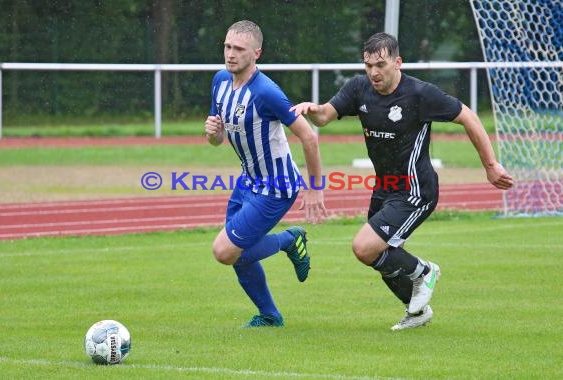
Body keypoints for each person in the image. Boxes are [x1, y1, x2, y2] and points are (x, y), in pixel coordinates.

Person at [290, 32, 513, 330]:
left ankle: (425, 271)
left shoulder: (420, 94)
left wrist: (490, 164)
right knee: (380, 255)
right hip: (385, 188)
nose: (373, 72)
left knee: (364, 247)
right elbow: (324, 117)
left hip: (416, 190)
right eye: (368, 65)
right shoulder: (359, 88)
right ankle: (417, 312)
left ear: (398, 62)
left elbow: (468, 117)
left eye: (380, 65)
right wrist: (313, 109)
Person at [204, 20, 327, 328]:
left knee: (224, 250)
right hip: (247, 181)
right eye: (227, 47)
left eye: (239, 49)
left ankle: (288, 240)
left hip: (277, 185)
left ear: (256, 53)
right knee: (237, 253)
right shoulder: (220, 81)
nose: (230, 54)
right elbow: (218, 139)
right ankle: (270, 316)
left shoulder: (266, 92)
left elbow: (309, 137)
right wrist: (213, 134)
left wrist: (315, 189)